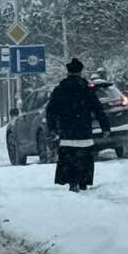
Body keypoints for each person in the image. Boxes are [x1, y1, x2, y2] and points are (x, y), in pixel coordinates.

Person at [45, 58, 111, 192]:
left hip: (66, 129)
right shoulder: (86, 88)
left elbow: (50, 110)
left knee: (69, 155)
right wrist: (105, 127)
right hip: (83, 129)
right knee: (84, 155)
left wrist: (52, 128)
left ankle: (72, 182)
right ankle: (83, 181)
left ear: (68, 72)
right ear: (80, 72)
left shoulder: (60, 89)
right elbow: (97, 108)